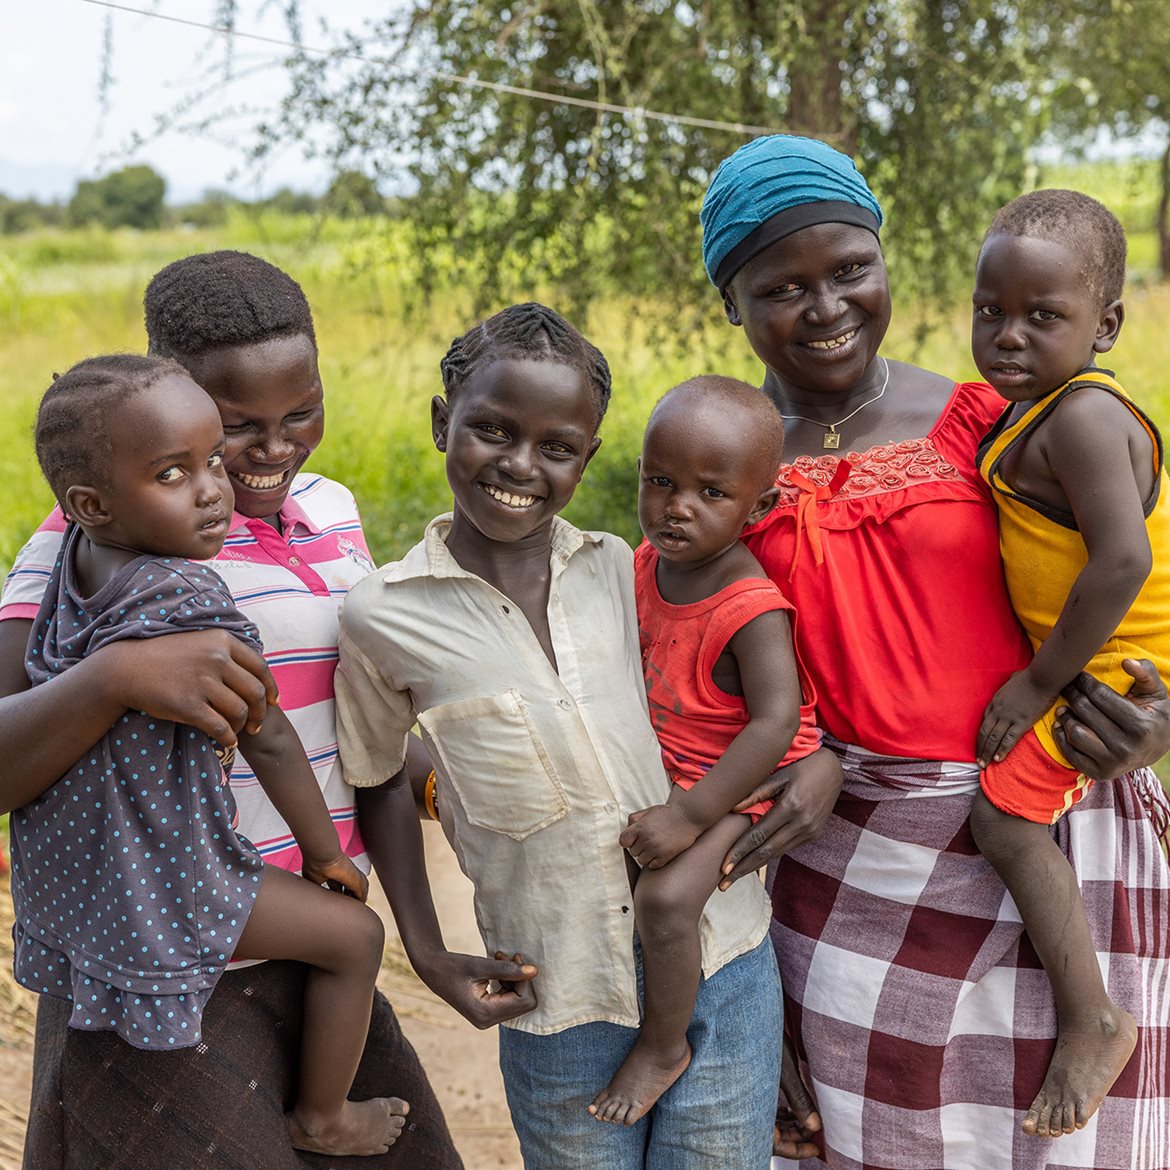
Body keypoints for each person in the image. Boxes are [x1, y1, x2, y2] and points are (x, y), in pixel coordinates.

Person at [696, 134, 1170, 1169]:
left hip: (1047, 838)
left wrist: (1160, 717)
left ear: (887, 266)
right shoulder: (715, 466)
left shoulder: (993, 421)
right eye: (781, 286)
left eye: (851, 272)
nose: (826, 309)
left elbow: (1135, 575)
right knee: (870, 1137)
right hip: (836, 862)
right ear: (731, 303)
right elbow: (691, 686)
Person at [0, 251, 462, 1170]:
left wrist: (430, 770)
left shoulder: (330, 512)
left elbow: (331, 709)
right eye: (236, 425)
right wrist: (113, 679)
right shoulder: (94, 544)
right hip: (165, 968)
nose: (274, 449)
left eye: (301, 412)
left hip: (306, 949)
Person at [334, 304, 782, 1169]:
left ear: (589, 459)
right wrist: (426, 953)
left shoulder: (629, 570)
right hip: (558, 991)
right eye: (492, 432)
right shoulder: (383, 616)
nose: (518, 466)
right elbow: (380, 776)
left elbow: (736, 702)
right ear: (441, 423)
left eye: (556, 447)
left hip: (723, 961)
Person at [967, 189, 1170, 1139]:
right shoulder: (1036, 410)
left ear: (1107, 326)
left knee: (1002, 819)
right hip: (1102, 660)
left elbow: (1124, 560)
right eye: (990, 312)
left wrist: (1039, 681)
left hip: (1113, 676)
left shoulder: (1084, 415)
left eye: (1043, 317)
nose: (1009, 336)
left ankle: (1093, 1017)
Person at [589, 375, 826, 1126]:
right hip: (689, 767)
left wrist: (691, 813)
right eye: (660, 481)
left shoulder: (747, 605)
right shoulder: (643, 563)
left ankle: (665, 1046)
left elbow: (776, 723)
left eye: (710, 494)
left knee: (664, 901)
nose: (676, 506)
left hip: (744, 776)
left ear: (757, 508)